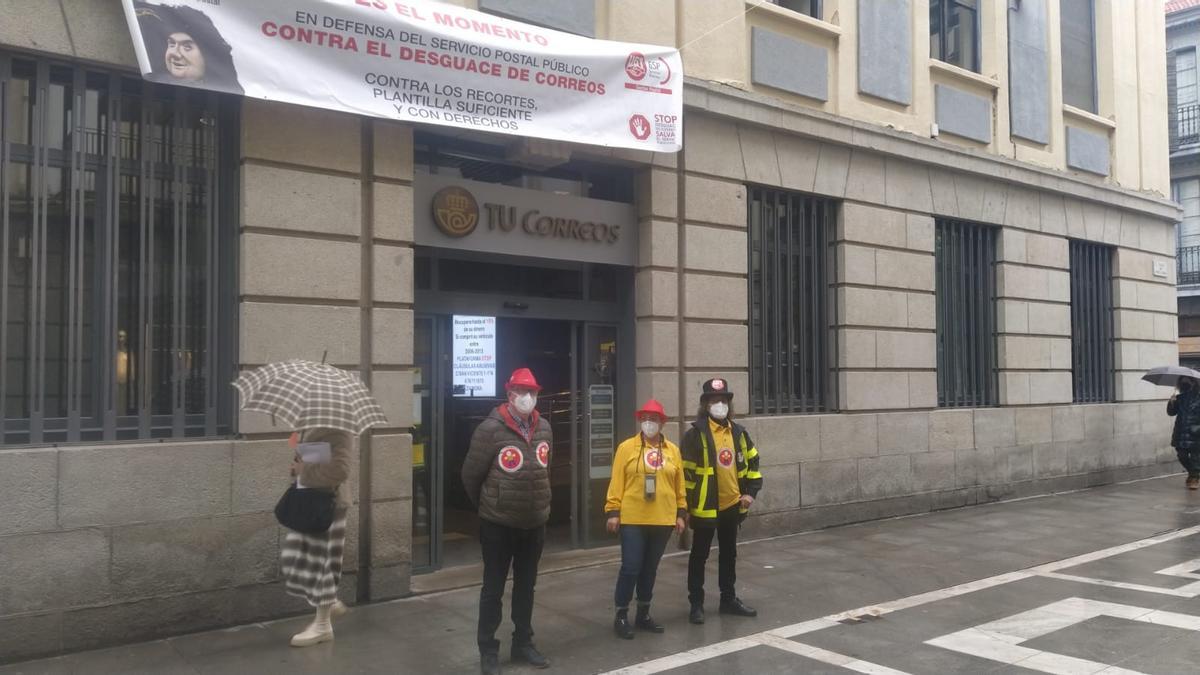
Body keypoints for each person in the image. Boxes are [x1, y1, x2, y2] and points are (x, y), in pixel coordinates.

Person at [461, 368, 552, 675]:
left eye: (532, 392)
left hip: (534, 522)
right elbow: (471, 476)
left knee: (527, 586)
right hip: (498, 524)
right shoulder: (490, 429)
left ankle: (523, 643)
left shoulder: (545, 428)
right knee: (493, 588)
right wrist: (491, 504)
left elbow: (543, 469)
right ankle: (488, 648)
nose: (528, 397)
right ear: (509, 394)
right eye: (521, 392)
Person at [682, 378, 763, 625]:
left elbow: (753, 463)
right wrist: (684, 508)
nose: (720, 404)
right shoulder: (695, 435)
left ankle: (728, 600)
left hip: (731, 506)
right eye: (715, 400)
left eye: (723, 400)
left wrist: (750, 492)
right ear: (705, 404)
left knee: (729, 554)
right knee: (699, 556)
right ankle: (696, 604)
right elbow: (685, 475)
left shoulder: (738, 433)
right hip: (705, 508)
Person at [604, 399, 686, 639]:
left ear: (662, 423)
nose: (649, 423)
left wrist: (681, 513)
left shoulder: (672, 450)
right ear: (640, 421)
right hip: (633, 518)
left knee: (650, 569)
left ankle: (643, 613)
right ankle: (621, 614)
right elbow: (616, 480)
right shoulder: (626, 448)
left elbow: (679, 485)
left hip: (663, 518)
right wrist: (613, 510)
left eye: (654, 419)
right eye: (645, 419)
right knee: (631, 567)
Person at [281, 426, 354, 647]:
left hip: (327, 505)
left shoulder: (337, 428)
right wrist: (298, 464)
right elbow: (313, 461)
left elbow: (340, 470)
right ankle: (328, 603)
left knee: (321, 563)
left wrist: (304, 469)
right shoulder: (312, 426)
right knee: (299, 558)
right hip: (311, 500)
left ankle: (322, 625)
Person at [134, 2, 244, 94]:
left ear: (208, 57)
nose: (175, 54)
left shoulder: (226, 94)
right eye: (172, 44)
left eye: (187, 47)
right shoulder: (156, 85)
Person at [1168, 377, 1200, 490]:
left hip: (1196, 433)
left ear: (1194, 382)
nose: (1185, 383)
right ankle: (1194, 474)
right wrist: (1171, 402)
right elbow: (1171, 413)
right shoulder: (1179, 398)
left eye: (1188, 381)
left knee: (1196, 458)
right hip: (1180, 432)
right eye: (1182, 381)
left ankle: (1194, 478)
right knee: (1182, 456)